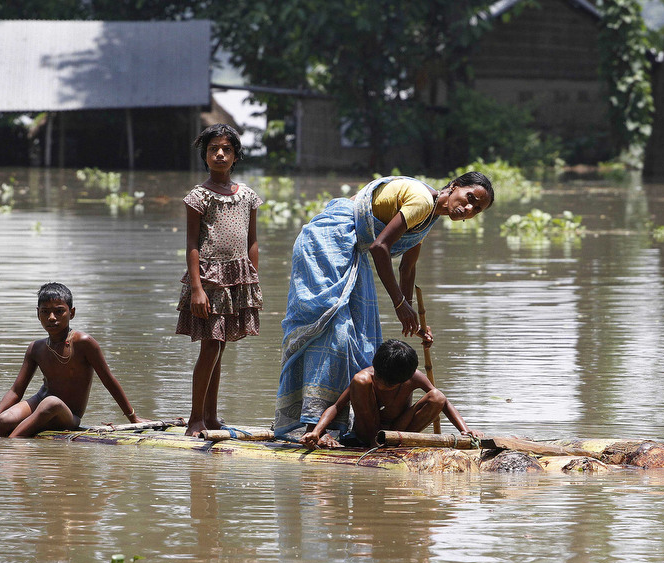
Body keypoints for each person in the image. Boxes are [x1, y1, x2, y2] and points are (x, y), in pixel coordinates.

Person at [275, 172, 494, 435]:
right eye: (469, 198)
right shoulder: (423, 201)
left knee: (362, 336)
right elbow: (380, 247)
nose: (469, 209)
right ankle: (313, 424)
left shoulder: (429, 217)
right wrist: (400, 304)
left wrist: (412, 318)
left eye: (477, 209)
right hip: (330, 240)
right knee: (336, 335)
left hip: (355, 246)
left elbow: (407, 267)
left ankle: (344, 427)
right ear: (455, 187)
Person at [176, 123, 262, 437]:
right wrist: (197, 288)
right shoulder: (199, 196)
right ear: (206, 156)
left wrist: (252, 280)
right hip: (210, 280)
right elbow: (192, 244)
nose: (220, 154)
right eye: (214, 150)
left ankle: (211, 417)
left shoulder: (248, 196)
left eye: (226, 149)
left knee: (220, 346)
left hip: (238, 279)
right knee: (210, 346)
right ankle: (195, 419)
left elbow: (252, 241)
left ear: (236, 155)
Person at [0, 283, 146, 437]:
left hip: (67, 414)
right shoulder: (36, 348)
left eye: (59, 311)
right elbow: (16, 391)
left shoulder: (84, 342)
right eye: (45, 312)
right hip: (39, 402)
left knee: (51, 403)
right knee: (4, 420)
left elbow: (108, 380)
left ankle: (13, 442)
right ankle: (0, 442)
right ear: (38, 314)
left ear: (71, 313)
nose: (51, 317)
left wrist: (133, 418)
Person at [299, 339, 482, 448]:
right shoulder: (365, 377)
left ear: (403, 380)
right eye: (378, 377)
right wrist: (317, 432)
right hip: (368, 433)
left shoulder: (414, 377)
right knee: (360, 381)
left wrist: (465, 431)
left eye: (388, 384)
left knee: (437, 397)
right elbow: (337, 406)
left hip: (400, 429)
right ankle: (374, 444)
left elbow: (445, 403)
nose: (380, 384)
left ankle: (399, 443)